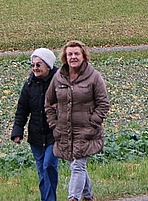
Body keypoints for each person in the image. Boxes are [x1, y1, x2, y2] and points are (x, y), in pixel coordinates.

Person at [45, 40, 110, 201]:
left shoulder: (94, 77)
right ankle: (88, 196)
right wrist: (54, 124)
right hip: (64, 131)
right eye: (70, 54)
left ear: (83, 56)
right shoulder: (58, 77)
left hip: (86, 131)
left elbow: (103, 103)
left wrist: (92, 122)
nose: (73, 57)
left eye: (76, 54)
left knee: (77, 165)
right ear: (65, 57)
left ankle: (73, 198)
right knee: (76, 164)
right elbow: (48, 102)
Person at [11, 47, 60, 201]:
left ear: (48, 65)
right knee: (41, 170)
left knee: (48, 166)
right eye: (33, 65)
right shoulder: (29, 85)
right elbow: (22, 110)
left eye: (39, 64)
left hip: (55, 134)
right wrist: (17, 131)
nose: (35, 68)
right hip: (36, 135)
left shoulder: (59, 82)